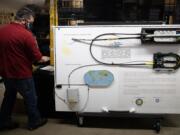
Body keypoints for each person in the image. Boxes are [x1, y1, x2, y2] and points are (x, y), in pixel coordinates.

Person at [0, 7, 50, 130]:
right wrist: (45, 58)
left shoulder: (2, 31)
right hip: (22, 73)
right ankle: (34, 121)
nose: (31, 25)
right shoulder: (26, 35)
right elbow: (37, 57)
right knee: (31, 98)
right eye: (31, 22)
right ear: (25, 20)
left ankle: (3, 121)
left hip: (6, 73)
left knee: (9, 96)